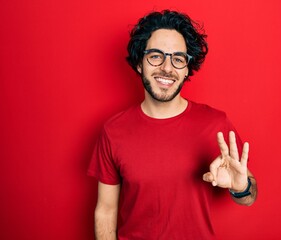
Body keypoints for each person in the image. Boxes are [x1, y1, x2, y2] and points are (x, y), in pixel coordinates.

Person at [88, 9, 257, 240]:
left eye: (178, 59)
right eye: (156, 56)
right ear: (140, 63)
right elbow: (106, 210)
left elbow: (249, 198)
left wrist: (241, 187)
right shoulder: (113, 131)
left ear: (186, 69)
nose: (167, 68)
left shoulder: (215, 124)